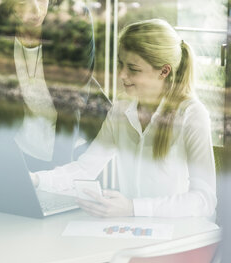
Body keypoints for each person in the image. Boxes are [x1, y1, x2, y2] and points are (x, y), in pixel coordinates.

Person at [32, 19, 217, 219]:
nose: (121, 74)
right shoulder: (120, 111)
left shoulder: (192, 115)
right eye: (120, 64)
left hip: (180, 234)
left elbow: (204, 200)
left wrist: (132, 208)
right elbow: (85, 169)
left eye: (133, 69)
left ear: (164, 71)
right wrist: (35, 180)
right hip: (133, 232)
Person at [0, 0, 109, 171]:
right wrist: (0, 157)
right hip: (24, 145)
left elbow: (72, 101)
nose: (36, 10)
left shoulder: (74, 19)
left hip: (75, 146)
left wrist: (61, 173)